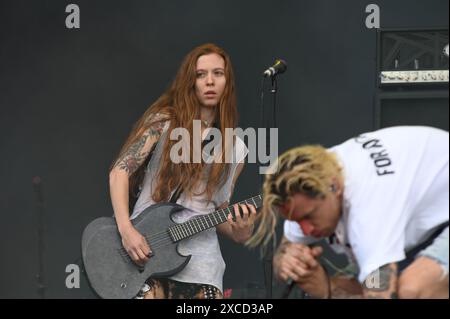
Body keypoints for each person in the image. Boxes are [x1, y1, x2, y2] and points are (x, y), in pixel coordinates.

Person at [109, 43, 256, 299]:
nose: (209, 81)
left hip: (202, 267)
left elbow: (217, 208)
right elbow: (119, 172)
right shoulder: (162, 122)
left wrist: (240, 232)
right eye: (201, 74)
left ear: (227, 82)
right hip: (147, 253)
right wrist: (126, 230)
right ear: (190, 81)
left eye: (218, 74)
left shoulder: (236, 147)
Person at [248, 125, 449, 298]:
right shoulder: (309, 180)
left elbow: (379, 292)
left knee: (412, 290)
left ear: (334, 187)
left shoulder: (368, 206)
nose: (306, 230)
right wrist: (287, 261)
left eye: (309, 217)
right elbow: (286, 248)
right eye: (297, 221)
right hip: (432, 215)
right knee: (347, 285)